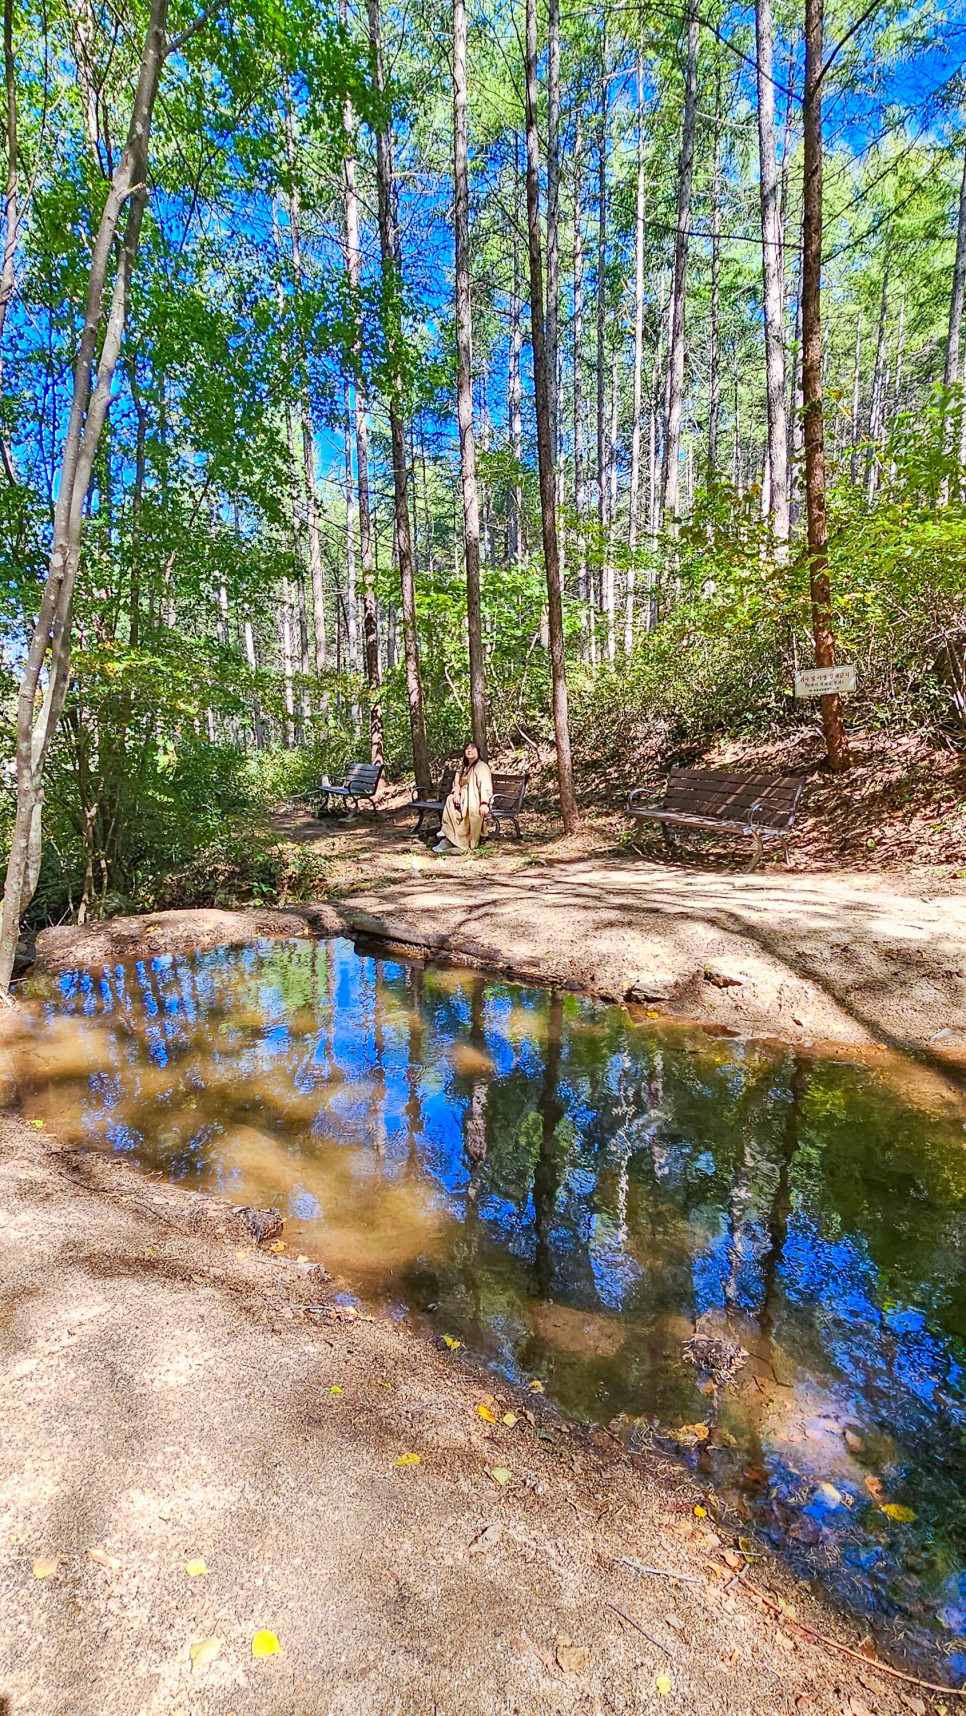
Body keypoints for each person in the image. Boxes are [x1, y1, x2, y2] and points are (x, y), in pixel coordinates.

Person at [435, 742, 493, 854]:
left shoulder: (481, 767)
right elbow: (457, 783)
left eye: (472, 748)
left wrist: (484, 803)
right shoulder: (464, 768)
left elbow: (485, 785)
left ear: (478, 751)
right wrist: (456, 792)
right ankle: (447, 834)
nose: (469, 750)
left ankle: (460, 840)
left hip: (474, 799)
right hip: (462, 798)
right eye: (467, 748)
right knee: (450, 799)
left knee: (470, 809)